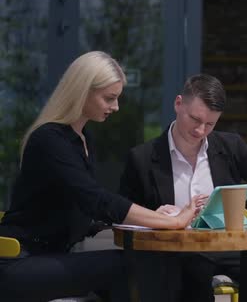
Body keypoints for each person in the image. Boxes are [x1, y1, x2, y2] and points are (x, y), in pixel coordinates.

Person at [0, 51, 206, 302]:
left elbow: (85, 212)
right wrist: (170, 222)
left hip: (49, 258)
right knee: (128, 266)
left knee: (160, 261)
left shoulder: (82, 140)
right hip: (19, 263)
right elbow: (96, 200)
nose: (116, 107)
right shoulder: (49, 140)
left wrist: (150, 218)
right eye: (109, 98)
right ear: (83, 91)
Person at [118, 73, 247, 302]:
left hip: (228, 247)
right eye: (195, 119)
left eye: (210, 124)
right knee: (194, 283)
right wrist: (151, 216)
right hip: (175, 253)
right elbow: (121, 213)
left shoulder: (231, 146)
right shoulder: (142, 158)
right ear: (178, 104)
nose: (201, 131)